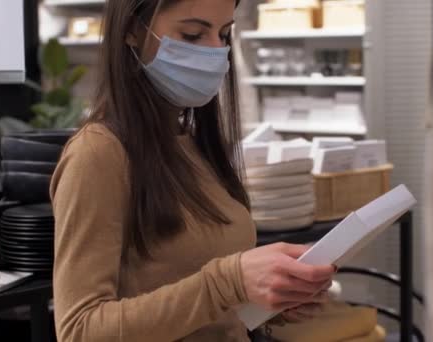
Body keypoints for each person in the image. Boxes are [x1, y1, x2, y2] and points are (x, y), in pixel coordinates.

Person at [50, 0, 336, 341]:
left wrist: (266, 301)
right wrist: (229, 283)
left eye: (224, 34)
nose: (216, 52)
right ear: (132, 30)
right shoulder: (98, 154)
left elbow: (202, 308)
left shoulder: (195, 144)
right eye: (192, 34)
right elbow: (80, 331)